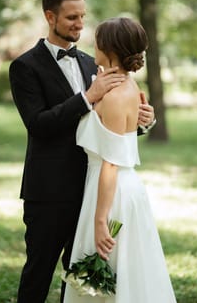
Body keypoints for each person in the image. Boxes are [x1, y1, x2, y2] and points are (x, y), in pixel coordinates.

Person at [9, 0, 155, 303]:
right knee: (38, 273)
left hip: (92, 191)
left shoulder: (93, 63)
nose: (79, 24)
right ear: (50, 17)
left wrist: (143, 121)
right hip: (48, 192)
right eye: (72, 17)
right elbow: (38, 125)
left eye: (82, 16)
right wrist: (87, 97)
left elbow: (109, 127)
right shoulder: (24, 67)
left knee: (77, 279)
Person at [63, 17, 176, 303]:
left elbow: (111, 162)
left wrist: (101, 219)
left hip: (111, 192)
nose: (93, 46)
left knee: (113, 266)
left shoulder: (114, 97)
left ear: (110, 48)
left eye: (98, 41)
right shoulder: (124, 84)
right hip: (109, 186)